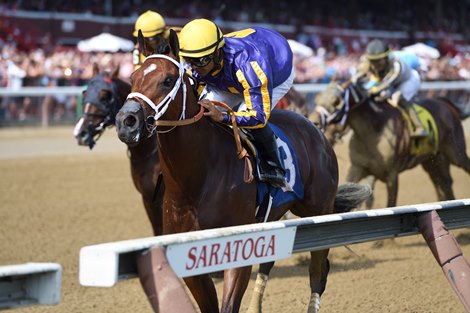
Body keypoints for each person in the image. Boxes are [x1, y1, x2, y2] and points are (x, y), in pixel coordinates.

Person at [178, 18, 295, 188]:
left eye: (201, 61)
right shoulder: (200, 60)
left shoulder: (250, 67)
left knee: (246, 120)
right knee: (201, 112)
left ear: (216, 54)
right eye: (190, 60)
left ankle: (274, 166)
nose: (194, 66)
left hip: (275, 72)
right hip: (227, 77)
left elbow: (258, 116)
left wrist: (224, 116)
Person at [354, 39, 427, 138]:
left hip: (408, 80)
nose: (375, 65)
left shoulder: (396, 64)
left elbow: (387, 83)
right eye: (372, 61)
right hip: (390, 82)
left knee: (397, 97)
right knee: (381, 97)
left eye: (378, 61)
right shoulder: (368, 62)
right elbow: (357, 77)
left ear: (386, 57)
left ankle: (420, 127)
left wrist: (372, 90)